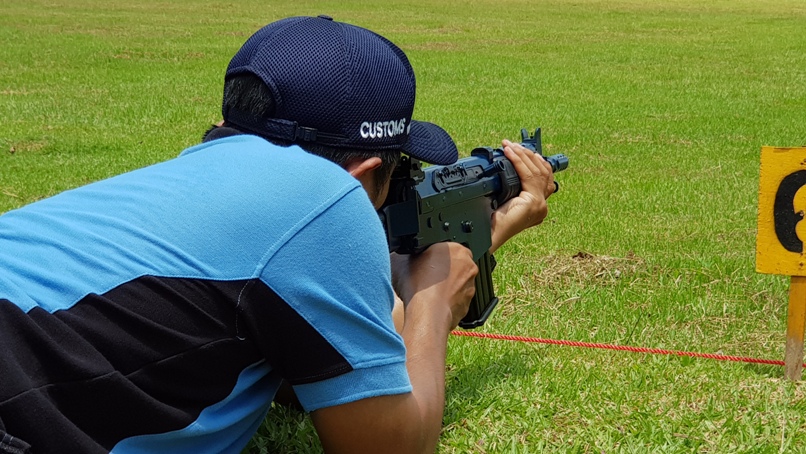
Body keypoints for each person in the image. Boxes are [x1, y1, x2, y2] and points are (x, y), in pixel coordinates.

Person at [0, 15, 556, 454]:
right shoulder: (324, 196)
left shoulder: (185, 181)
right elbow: (391, 445)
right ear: (363, 173)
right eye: (399, 175)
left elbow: (310, 364)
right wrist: (436, 299)